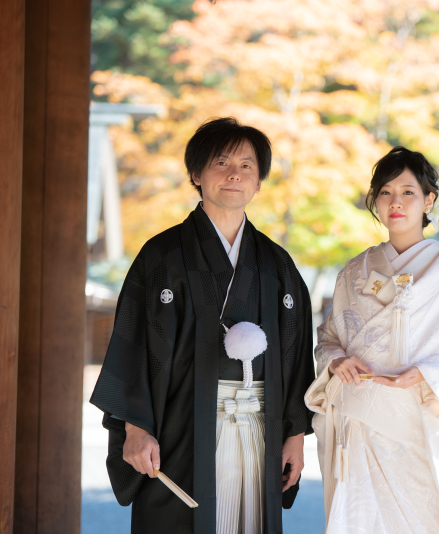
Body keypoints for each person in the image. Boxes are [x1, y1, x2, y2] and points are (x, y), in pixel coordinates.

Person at [90, 117, 315, 534]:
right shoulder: (161, 256)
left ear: (260, 181)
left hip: (259, 431)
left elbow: (297, 354)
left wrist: (296, 435)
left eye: (248, 165)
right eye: (221, 162)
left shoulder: (277, 264)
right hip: (181, 431)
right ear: (196, 174)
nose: (235, 174)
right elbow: (132, 345)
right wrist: (135, 428)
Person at [304, 146, 439, 533]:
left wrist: (428, 373)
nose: (396, 202)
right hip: (362, 426)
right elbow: (329, 336)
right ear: (375, 201)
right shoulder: (354, 271)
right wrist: (335, 361)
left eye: (408, 192)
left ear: (429, 200)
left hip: (422, 424)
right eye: (385, 192)